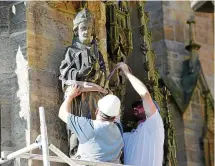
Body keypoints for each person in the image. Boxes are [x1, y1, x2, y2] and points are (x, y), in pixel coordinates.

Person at [59, 8, 107, 156]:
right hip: (80, 100)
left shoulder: (97, 52)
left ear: (93, 31)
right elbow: (65, 75)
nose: (86, 31)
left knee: (97, 134)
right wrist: (79, 73)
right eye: (82, 28)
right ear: (77, 31)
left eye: (89, 28)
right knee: (81, 136)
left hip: (96, 99)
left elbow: (104, 75)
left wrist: (100, 76)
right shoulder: (71, 51)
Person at [58, 84, 124, 163]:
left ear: (97, 111)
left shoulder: (89, 127)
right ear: (114, 117)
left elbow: (62, 114)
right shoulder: (118, 128)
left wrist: (70, 96)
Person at [119, 63, 164, 166]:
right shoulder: (128, 137)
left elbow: (145, 95)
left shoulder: (154, 125)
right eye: (135, 105)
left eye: (140, 105)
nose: (136, 107)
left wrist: (126, 72)